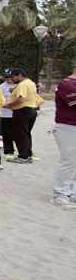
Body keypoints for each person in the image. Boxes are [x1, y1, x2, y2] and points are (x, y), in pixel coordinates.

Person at [51, 60, 76, 208]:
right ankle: (60, 194)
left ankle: (71, 192)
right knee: (69, 160)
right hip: (68, 127)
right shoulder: (67, 84)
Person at [5, 68, 38, 163]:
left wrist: (9, 105)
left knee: (20, 134)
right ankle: (28, 154)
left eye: (13, 77)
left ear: (20, 75)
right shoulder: (30, 82)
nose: (12, 79)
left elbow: (21, 99)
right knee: (26, 133)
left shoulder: (22, 85)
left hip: (22, 111)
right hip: (31, 110)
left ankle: (23, 156)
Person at [0, 70, 16, 158]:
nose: (9, 79)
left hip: (16, 112)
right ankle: (9, 151)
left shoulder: (19, 85)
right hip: (5, 113)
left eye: (10, 77)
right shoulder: (1, 87)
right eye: (7, 77)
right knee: (6, 133)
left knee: (17, 133)